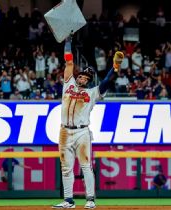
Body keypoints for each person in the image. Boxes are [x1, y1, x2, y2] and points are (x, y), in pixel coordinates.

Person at [53, 34, 124, 209]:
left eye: (86, 78)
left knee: (85, 165)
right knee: (65, 167)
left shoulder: (92, 93)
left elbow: (107, 82)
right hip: (64, 130)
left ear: (89, 81)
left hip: (82, 132)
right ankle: (68, 200)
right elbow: (69, 62)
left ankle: (90, 199)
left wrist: (115, 67)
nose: (83, 78)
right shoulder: (68, 85)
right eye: (82, 76)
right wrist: (68, 41)